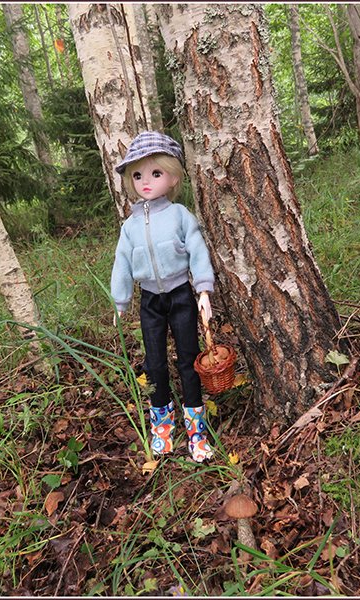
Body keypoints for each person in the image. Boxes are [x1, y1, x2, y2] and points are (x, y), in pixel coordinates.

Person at [110, 131, 215, 463]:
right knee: (154, 363)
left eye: (156, 173)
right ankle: (163, 428)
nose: (146, 181)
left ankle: (196, 431)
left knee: (189, 359)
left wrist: (203, 289)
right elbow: (122, 262)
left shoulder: (180, 215)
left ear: (173, 177)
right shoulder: (129, 227)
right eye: (137, 175)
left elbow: (197, 249)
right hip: (150, 300)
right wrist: (120, 300)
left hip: (181, 294)